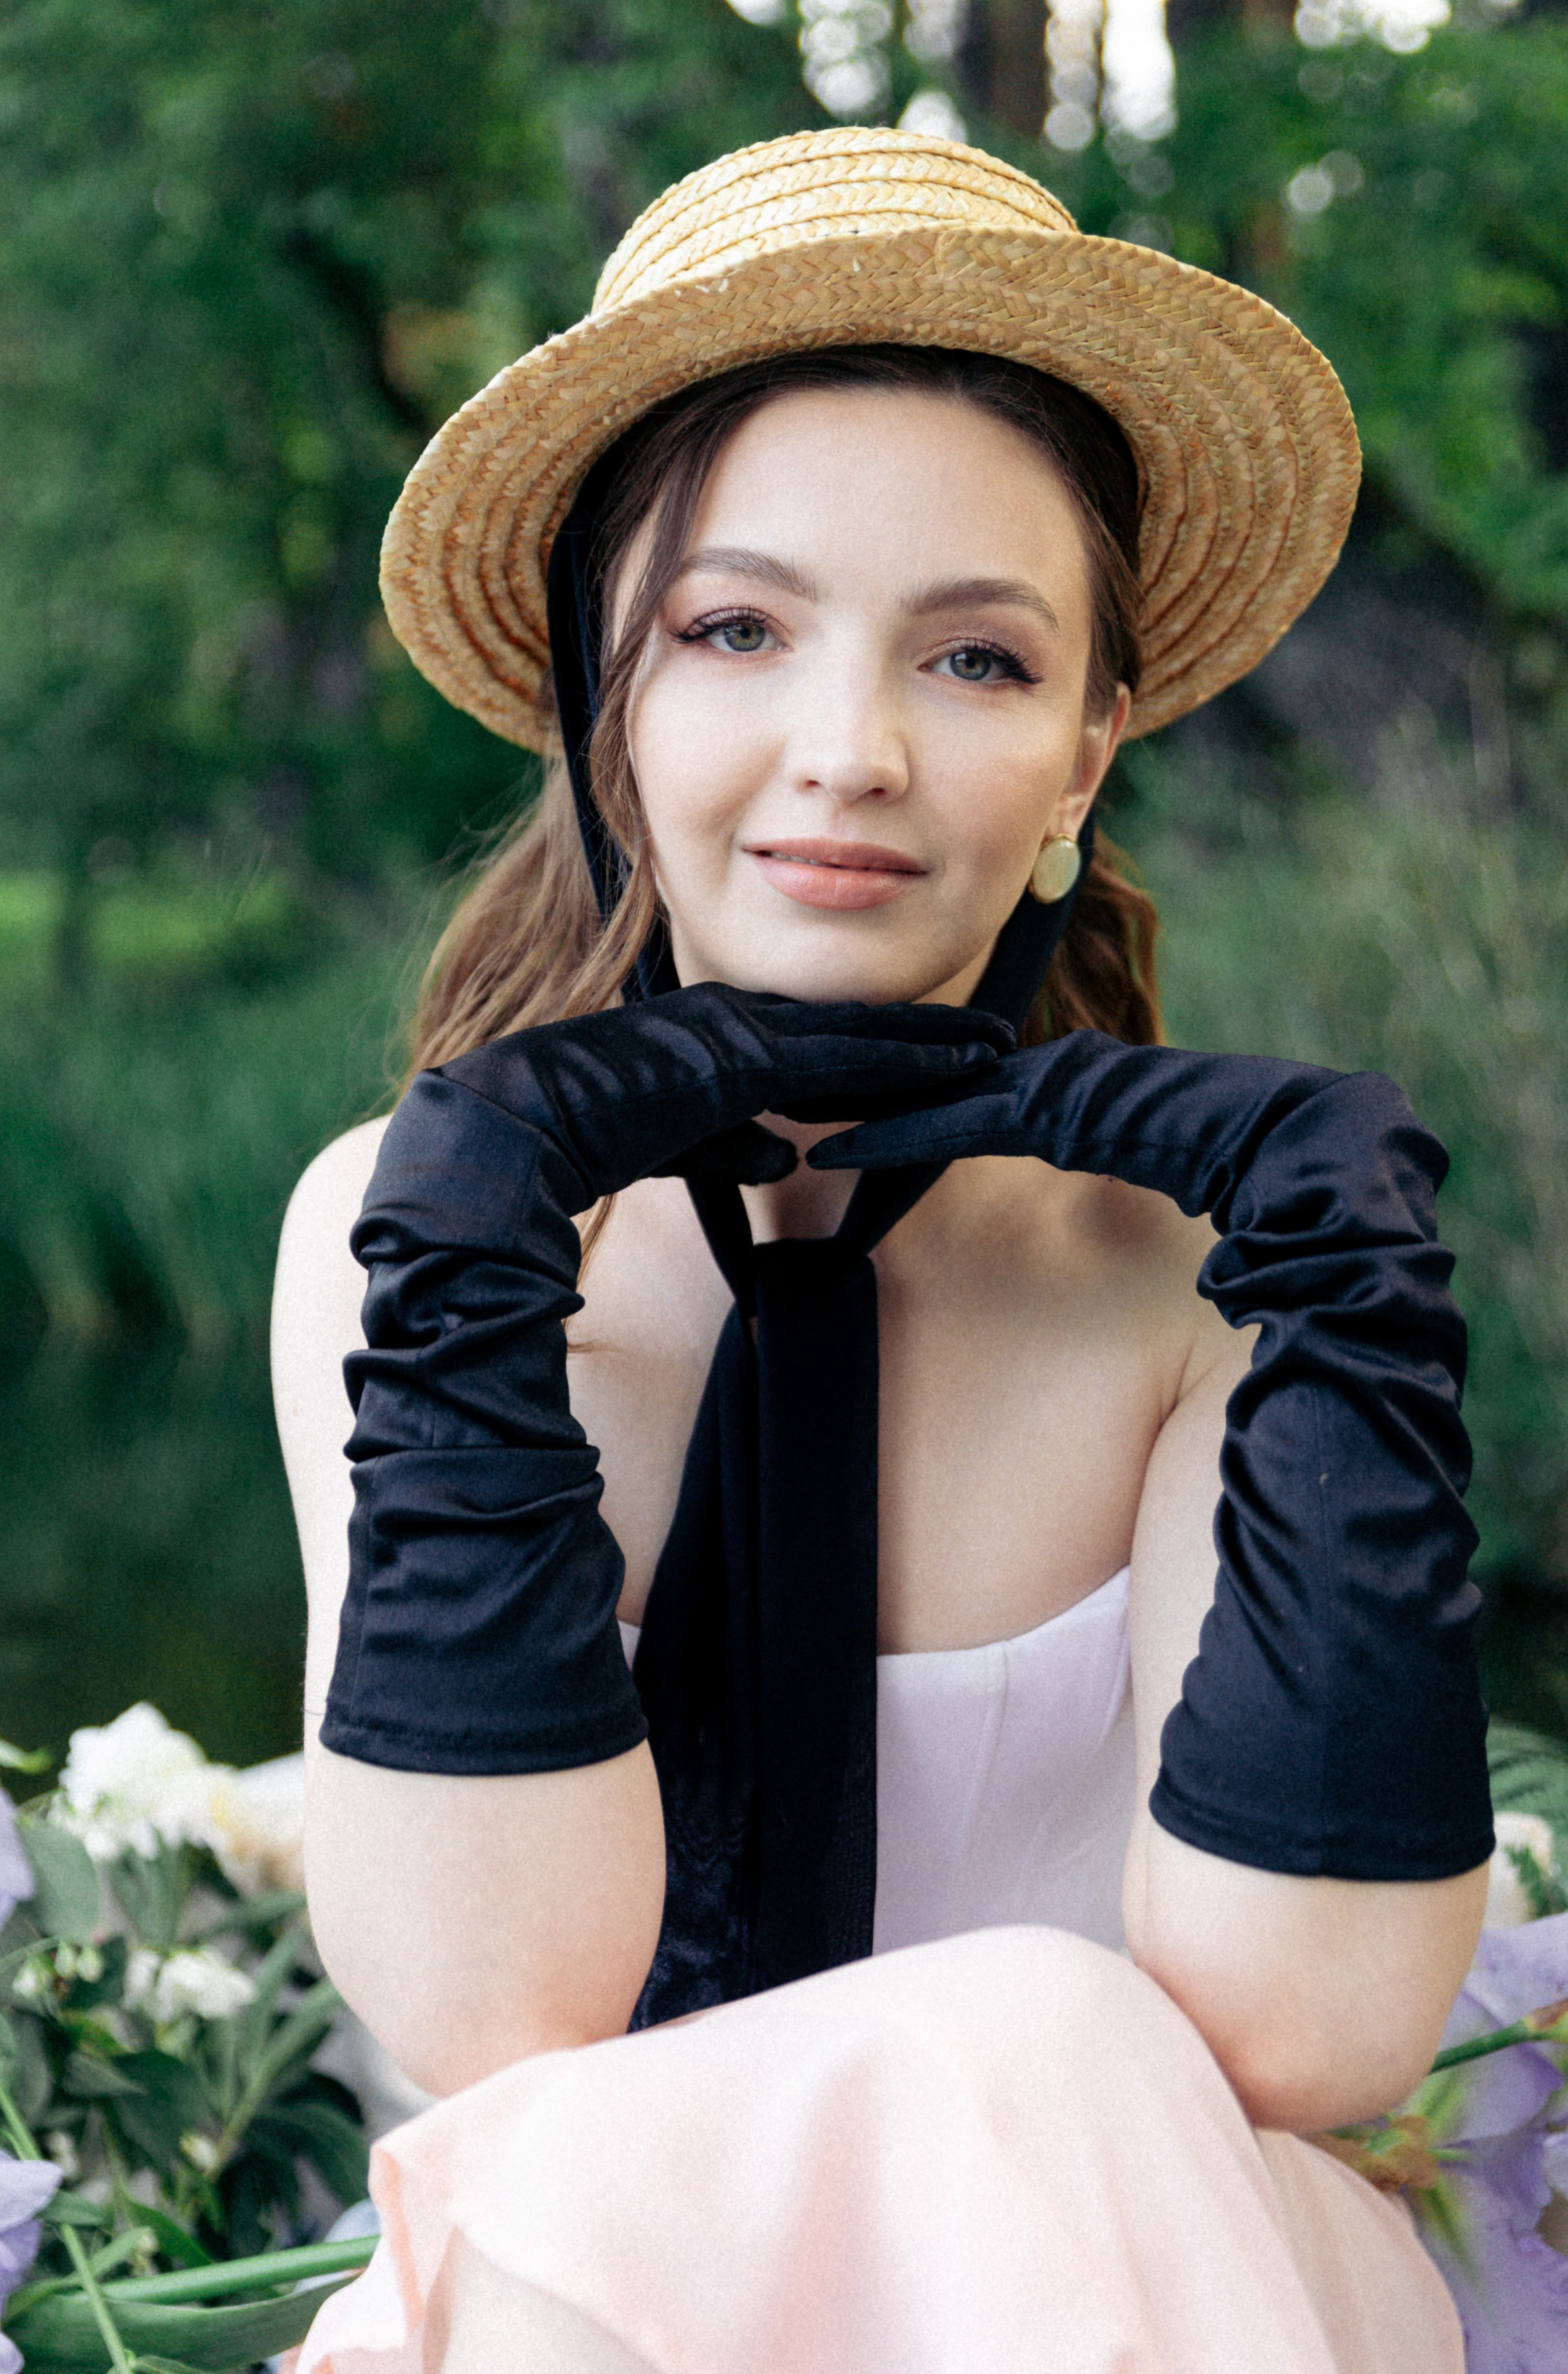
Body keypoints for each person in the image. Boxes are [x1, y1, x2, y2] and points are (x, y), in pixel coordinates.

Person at [273, 128, 1493, 2373]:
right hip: (590, 2302)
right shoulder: (407, 1234)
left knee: (1045, 2042)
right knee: (612, 2197)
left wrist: (1336, 1275)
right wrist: (471, 1236)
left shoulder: (1199, 1278)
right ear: (605, 704)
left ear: (1085, 752)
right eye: (736, 629)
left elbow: (1300, 2039)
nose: (849, 753)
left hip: (1154, 2285)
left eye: (977, 658)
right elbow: (501, 2021)